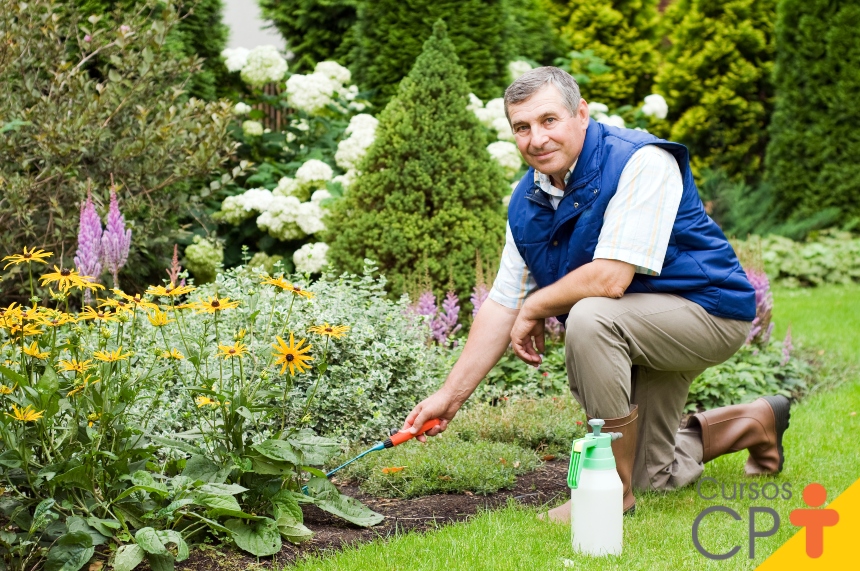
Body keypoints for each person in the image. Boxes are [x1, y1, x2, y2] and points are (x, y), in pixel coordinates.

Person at [402, 66, 791, 521]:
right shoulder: (527, 200)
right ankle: (755, 422)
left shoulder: (641, 160)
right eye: (522, 128)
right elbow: (503, 302)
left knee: (589, 318)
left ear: (581, 114)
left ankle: (607, 491)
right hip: (638, 324)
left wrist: (537, 306)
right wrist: (450, 396)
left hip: (708, 312)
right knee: (654, 473)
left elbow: (610, 279)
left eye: (549, 120)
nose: (537, 138)